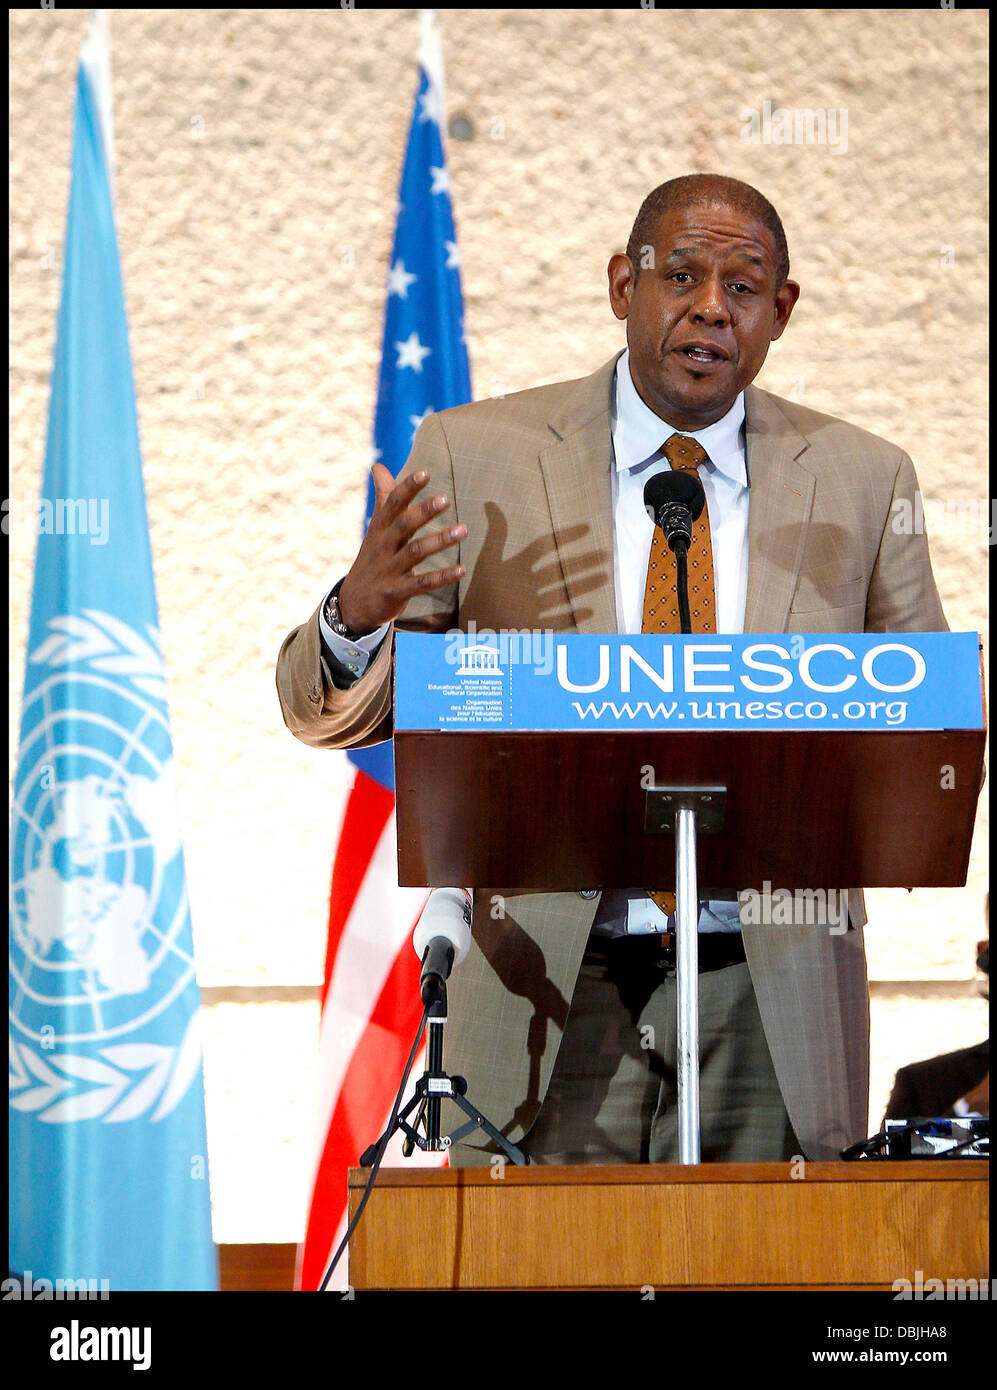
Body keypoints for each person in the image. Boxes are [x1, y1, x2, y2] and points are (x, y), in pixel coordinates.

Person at [277, 173, 949, 1164]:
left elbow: (926, 721)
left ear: (781, 312)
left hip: (772, 982)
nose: (709, 306)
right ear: (620, 285)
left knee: (771, 1278)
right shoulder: (478, 455)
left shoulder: (861, 477)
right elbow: (325, 716)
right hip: (545, 979)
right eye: (679, 273)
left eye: (743, 285)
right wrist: (357, 615)